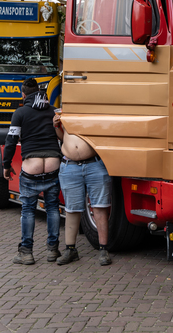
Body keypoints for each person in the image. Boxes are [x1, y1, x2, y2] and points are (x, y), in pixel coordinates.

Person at [3, 78, 62, 265]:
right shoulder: (53, 111)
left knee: (28, 209)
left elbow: (11, 140)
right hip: (54, 164)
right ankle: (53, 250)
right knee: (53, 208)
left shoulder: (20, 112)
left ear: (23, 95)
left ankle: (26, 252)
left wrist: (6, 164)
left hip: (31, 167)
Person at [53, 110, 113, 266]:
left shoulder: (92, 109)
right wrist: (56, 127)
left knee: (100, 207)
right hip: (70, 165)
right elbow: (63, 138)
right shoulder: (63, 112)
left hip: (94, 164)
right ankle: (70, 249)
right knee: (72, 209)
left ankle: (103, 250)